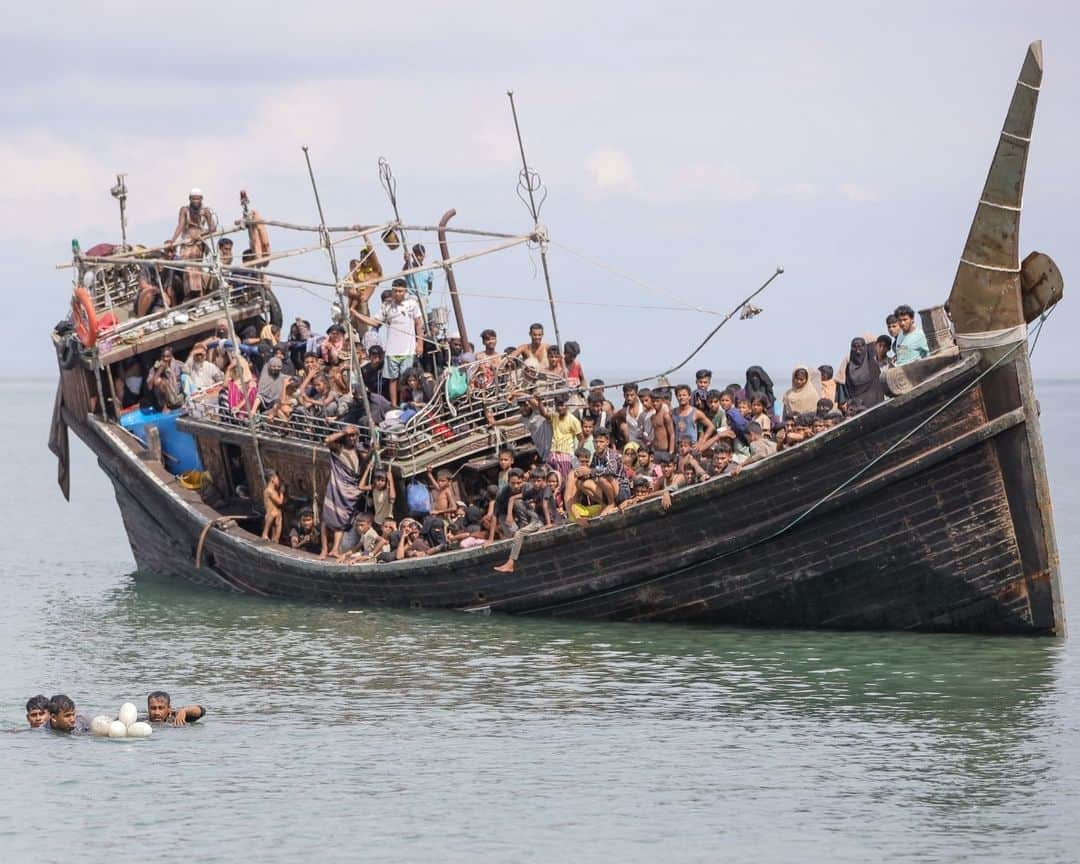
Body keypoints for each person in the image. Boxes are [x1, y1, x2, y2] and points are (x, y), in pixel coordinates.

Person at [320, 426, 365, 559]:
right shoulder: (339, 448)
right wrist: (343, 432)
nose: (352, 438)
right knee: (326, 519)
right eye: (349, 436)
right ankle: (324, 549)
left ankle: (335, 549)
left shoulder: (358, 450)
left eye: (354, 436)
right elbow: (327, 440)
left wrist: (373, 451)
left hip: (350, 489)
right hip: (337, 486)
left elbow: (365, 460)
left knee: (343, 519)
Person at [380, 279, 424, 406]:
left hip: (408, 349)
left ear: (405, 291)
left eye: (400, 291)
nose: (398, 294)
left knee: (406, 378)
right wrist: (355, 313)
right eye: (395, 291)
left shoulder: (412, 304)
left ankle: (405, 403)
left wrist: (419, 343)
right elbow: (376, 321)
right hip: (392, 350)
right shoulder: (387, 305)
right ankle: (394, 405)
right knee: (392, 380)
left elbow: (418, 323)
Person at [491, 468, 545, 573]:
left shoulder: (528, 487)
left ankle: (511, 563)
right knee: (506, 520)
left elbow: (541, 506)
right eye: (513, 483)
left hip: (534, 520)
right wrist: (490, 538)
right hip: (517, 521)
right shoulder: (503, 493)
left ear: (523, 481)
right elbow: (495, 515)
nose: (516, 486)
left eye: (519, 483)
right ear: (508, 482)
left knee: (518, 505)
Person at [166, 188, 217, 298]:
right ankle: (190, 293)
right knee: (187, 268)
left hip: (198, 243)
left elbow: (213, 228)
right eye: (193, 199)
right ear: (190, 199)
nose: (195, 201)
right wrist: (173, 240)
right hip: (186, 241)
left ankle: (199, 293)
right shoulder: (184, 210)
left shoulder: (206, 211)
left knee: (196, 267)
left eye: (197, 199)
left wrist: (201, 235)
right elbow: (180, 225)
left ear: (201, 199)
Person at [537, 393, 582, 481]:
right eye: (557, 405)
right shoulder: (555, 416)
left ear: (567, 405)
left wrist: (576, 454)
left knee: (564, 479)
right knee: (552, 480)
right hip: (553, 454)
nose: (559, 408)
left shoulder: (573, 420)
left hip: (566, 455)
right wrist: (539, 401)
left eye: (562, 405)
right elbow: (544, 414)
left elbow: (581, 439)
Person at [843, 336, 885, 408]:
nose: (858, 351)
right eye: (854, 347)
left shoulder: (873, 364)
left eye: (860, 347)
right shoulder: (848, 368)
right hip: (857, 409)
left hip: (876, 405)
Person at [672, 384, 714, 452]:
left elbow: (711, 426)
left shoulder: (696, 413)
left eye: (684, 395)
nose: (681, 397)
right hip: (678, 450)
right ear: (676, 397)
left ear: (689, 397)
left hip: (692, 451)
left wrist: (701, 442)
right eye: (679, 395)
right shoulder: (673, 413)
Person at [262, 471, 285, 543]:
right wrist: (282, 492)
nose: (278, 481)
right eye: (277, 479)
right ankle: (265, 534)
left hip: (275, 515)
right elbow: (280, 502)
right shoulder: (270, 490)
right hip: (271, 514)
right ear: (272, 479)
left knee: (275, 535)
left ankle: (275, 541)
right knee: (275, 515)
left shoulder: (272, 490)